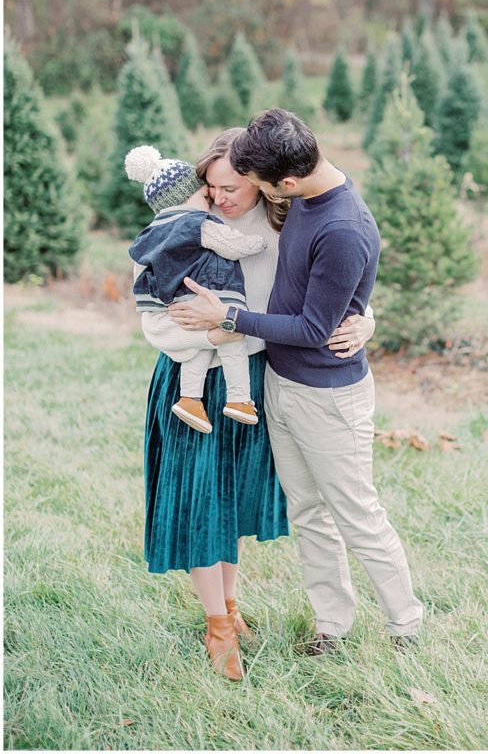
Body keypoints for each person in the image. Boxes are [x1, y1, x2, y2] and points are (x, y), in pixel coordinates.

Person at [170, 109, 423, 652]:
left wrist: (228, 318)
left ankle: (406, 626)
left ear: (286, 181)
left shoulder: (343, 226)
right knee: (308, 512)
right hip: (280, 384)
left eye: (256, 184)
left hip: (328, 398)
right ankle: (332, 626)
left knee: (356, 514)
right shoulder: (304, 197)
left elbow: (314, 327)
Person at [143, 127, 375, 682]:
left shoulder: (286, 225)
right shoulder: (177, 230)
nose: (220, 197)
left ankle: (232, 608)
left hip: (254, 382)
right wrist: (217, 335)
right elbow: (156, 320)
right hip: (191, 388)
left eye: (232, 187)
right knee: (200, 499)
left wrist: (367, 318)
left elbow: (329, 286)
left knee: (228, 501)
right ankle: (216, 624)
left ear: (262, 184)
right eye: (211, 186)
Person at [126, 144, 264, 432]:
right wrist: (255, 244)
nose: (214, 198)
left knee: (197, 354)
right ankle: (239, 398)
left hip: (196, 340)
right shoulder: (198, 222)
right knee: (231, 343)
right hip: (215, 301)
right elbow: (230, 244)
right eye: (208, 190)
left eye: (227, 188)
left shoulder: (151, 234)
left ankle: (190, 399)